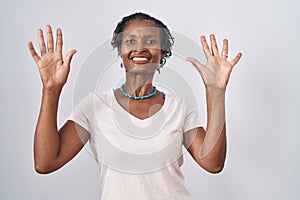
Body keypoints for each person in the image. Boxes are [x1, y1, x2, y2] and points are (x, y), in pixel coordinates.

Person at [27, 12, 242, 200]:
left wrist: (216, 91)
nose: (140, 48)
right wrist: (51, 90)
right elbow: (45, 163)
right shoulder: (94, 107)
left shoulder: (179, 109)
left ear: (163, 53)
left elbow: (212, 163)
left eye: (150, 42)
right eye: (130, 41)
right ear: (119, 50)